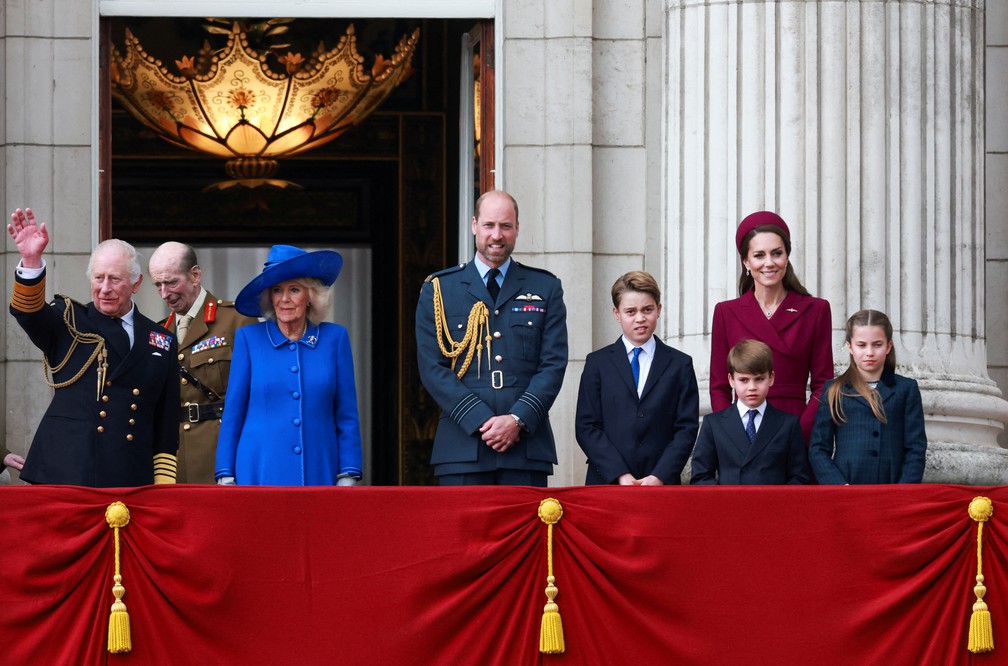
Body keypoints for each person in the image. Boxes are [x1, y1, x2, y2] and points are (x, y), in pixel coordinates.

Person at [7, 207, 179, 486]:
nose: (105, 288)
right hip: (67, 470)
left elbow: (166, 418)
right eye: (99, 278)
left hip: (131, 474)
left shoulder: (161, 339)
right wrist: (31, 261)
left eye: (115, 279)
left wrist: (162, 481)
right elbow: (28, 313)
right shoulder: (68, 320)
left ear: (136, 284)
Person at [415, 190, 568, 486]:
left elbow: (553, 364)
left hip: (525, 447)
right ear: (474, 225)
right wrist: (481, 420)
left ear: (517, 229)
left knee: (525, 534)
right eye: (489, 225)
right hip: (462, 447)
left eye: (506, 226)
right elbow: (432, 368)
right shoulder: (439, 289)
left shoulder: (545, 287)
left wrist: (517, 420)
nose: (497, 235)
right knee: (464, 534)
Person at [215, 245, 362, 486]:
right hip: (258, 469)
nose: (284, 299)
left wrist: (348, 471)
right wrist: (225, 471)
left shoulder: (335, 339)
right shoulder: (249, 339)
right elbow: (233, 412)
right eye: (277, 290)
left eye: (294, 289)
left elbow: (346, 414)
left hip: (319, 468)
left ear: (311, 297)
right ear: (269, 297)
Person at [710, 211, 834, 441]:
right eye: (759, 255)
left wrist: (800, 431)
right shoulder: (726, 312)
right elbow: (719, 386)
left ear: (787, 256)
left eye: (777, 253)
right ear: (746, 262)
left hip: (795, 428)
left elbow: (823, 385)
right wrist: (729, 432)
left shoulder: (815, 310)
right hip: (744, 431)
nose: (769, 263)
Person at [575, 271, 699, 485]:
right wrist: (619, 474)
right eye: (630, 311)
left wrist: (660, 475)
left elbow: (686, 428)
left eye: (647, 310)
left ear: (658, 310)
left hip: (661, 483)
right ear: (617, 313)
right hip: (607, 481)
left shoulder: (680, 364)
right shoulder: (598, 363)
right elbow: (586, 426)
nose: (640, 318)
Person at [148, 242, 258, 484]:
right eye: (158, 285)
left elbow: (256, 398)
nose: (165, 293)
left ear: (195, 275)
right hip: (170, 461)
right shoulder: (156, 333)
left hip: (220, 455)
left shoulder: (237, 321)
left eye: (172, 282)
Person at [808, 309, 928, 484]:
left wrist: (903, 491)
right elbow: (818, 448)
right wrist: (839, 486)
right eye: (862, 345)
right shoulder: (834, 390)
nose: (869, 352)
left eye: (877, 344)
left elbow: (915, 448)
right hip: (846, 488)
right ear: (850, 346)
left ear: (888, 346)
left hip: (892, 488)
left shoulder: (906, 389)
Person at [690, 339, 809, 485]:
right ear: (731, 380)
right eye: (744, 380)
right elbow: (700, 477)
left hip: (774, 505)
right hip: (729, 505)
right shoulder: (714, 424)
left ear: (771, 378)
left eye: (759, 379)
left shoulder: (788, 424)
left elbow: (799, 477)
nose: (752, 387)